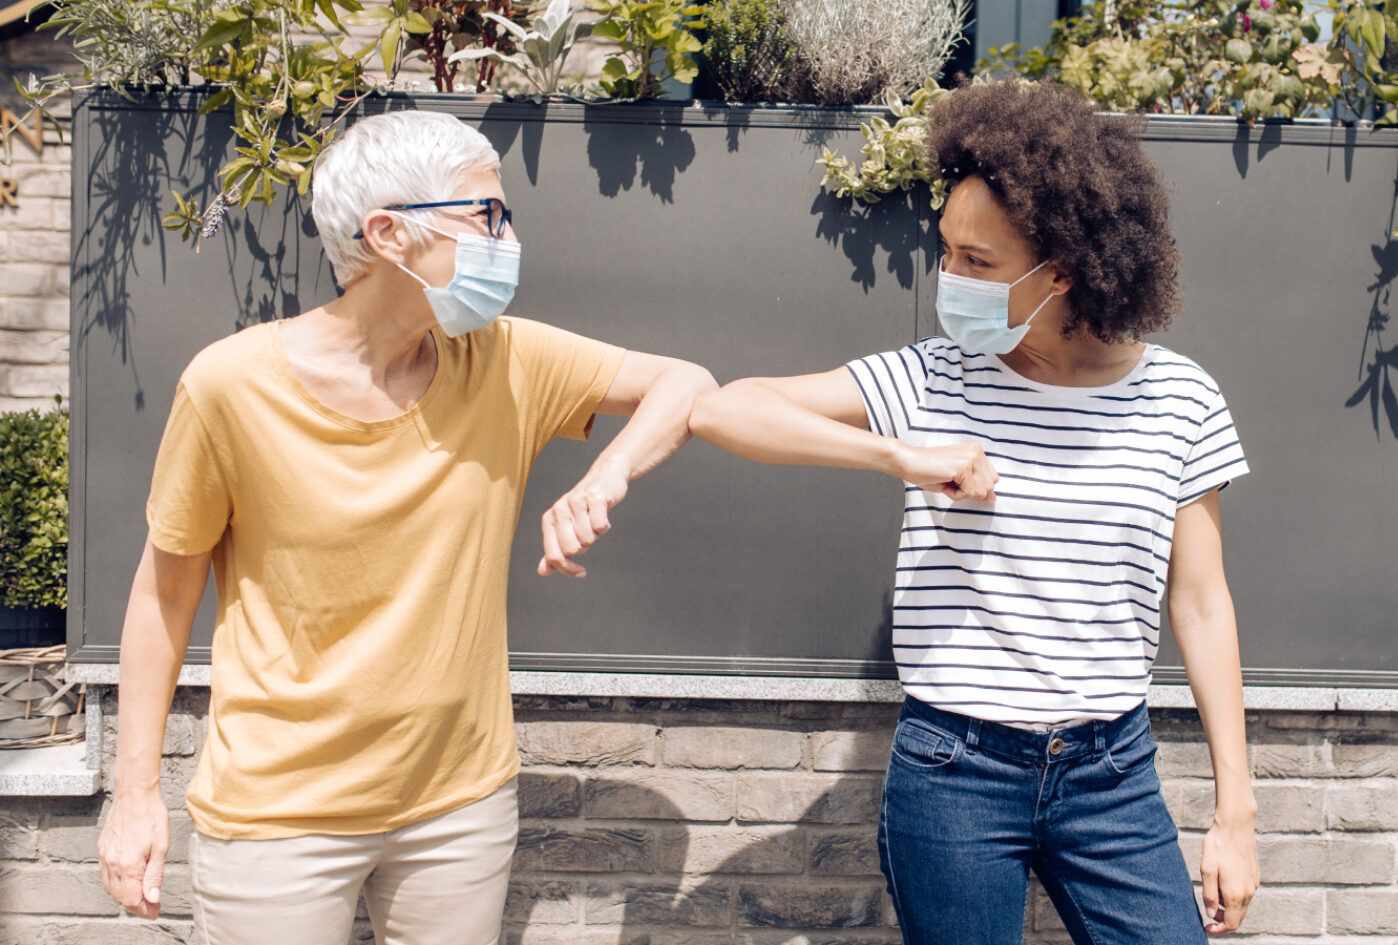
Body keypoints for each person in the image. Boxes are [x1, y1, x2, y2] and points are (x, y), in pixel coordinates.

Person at [96, 109, 716, 944]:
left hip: (458, 809)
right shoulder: (229, 387)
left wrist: (605, 474)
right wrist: (134, 795)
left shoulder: (505, 359)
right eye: (485, 217)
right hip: (280, 815)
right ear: (387, 234)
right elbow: (164, 596)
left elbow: (685, 382)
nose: (509, 238)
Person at [690, 79, 1259, 943]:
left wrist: (1236, 812)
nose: (947, 275)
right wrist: (903, 455)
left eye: (977, 262)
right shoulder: (933, 378)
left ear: (1062, 269)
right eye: (946, 248)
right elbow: (726, 409)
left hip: (1112, 772)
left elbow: (1203, 602)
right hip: (954, 769)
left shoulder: (1181, 400)